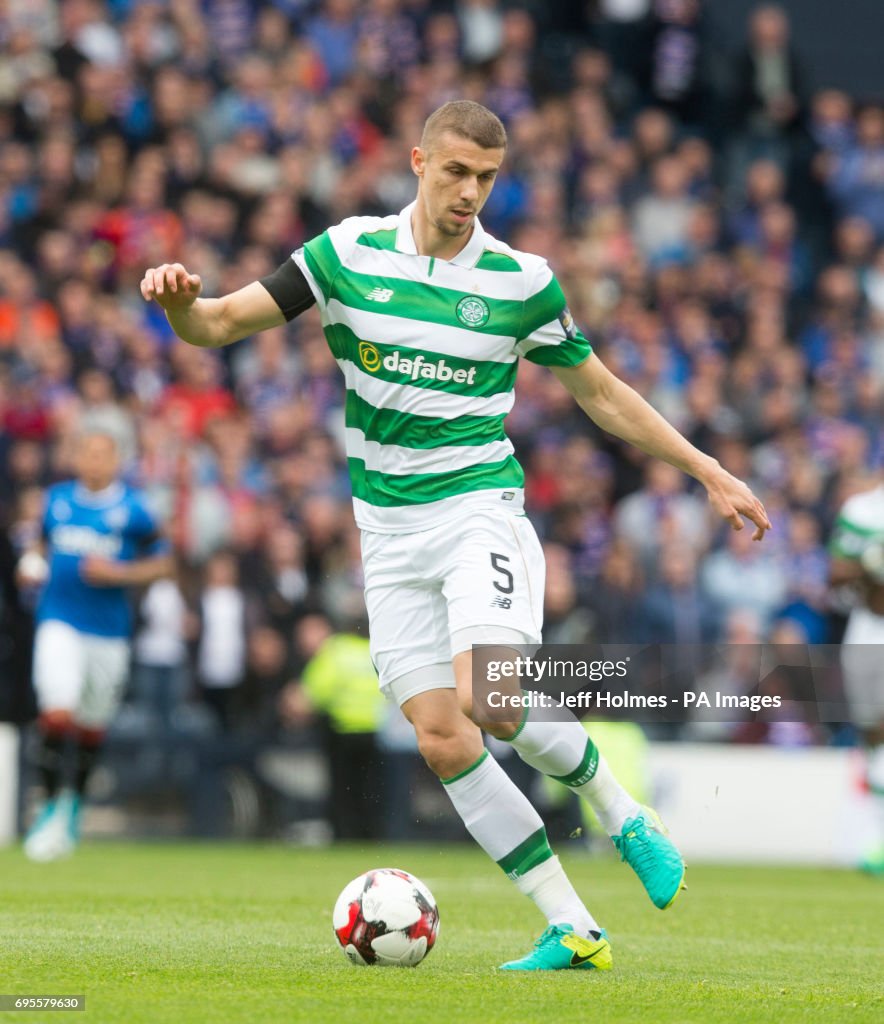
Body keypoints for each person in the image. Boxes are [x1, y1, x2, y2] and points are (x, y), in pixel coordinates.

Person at [141, 100, 770, 970]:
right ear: (418, 162)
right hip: (388, 535)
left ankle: (623, 813)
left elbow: (603, 393)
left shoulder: (521, 281)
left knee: (493, 699)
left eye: (486, 177)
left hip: (479, 513)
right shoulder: (344, 256)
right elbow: (217, 324)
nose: (471, 191)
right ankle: (574, 928)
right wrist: (180, 305)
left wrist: (708, 469)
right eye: (456, 172)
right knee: (443, 737)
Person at [18, 431, 173, 861]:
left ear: (116, 460)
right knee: (57, 709)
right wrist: (30, 563)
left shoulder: (135, 510)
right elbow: (37, 542)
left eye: (102, 454)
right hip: (59, 621)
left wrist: (119, 574)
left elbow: (165, 561)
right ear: (77, 458)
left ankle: (72, 807)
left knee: (90, 725)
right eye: (86, 453)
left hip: (108, 633)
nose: (93, 461)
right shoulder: (56, 500)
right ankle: (49, 807)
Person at [829, 475, 884, 875]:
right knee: (870, 734)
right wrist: (870, 566)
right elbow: (835, 572)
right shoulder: (862, 510)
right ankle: (871, 838)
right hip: (868, 627)